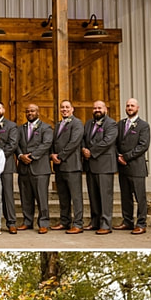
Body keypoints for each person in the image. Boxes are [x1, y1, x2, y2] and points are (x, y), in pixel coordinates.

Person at [82, 100, 119, 234]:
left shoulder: (111, 124)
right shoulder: (88, 123)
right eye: (95, 108)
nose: (97, 110)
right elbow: (83, 138)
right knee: (93, 196)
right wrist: (83, 149)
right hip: (90, 165)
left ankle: (105, 224)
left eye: (99, 108)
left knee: (105, 196)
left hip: (104, 165)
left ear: (105, 109)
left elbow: (108, 141)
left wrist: (92, 151)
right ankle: (95, 222)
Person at [16, 103, 54, 233]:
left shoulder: (46, 128)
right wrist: (21, 156)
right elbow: (16, 144)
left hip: (40, 168)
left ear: (38, 112)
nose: (29, 113)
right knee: (25, 197)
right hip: (23, 168)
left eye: (32, 111)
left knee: (41, 197)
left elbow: (46, 144)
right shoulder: (20, 128)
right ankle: (27, 221)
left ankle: (43, 223)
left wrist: (31, 156)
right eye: (27, 111)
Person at [115, 97, 150, 234]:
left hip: (136, 167)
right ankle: (127, 221)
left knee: (140, 197)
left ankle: (141, 224)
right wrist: (118, 155)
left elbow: (143, 145)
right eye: (128, 105)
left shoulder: (143, 125)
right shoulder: (120, 124)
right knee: (125, 196)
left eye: (132, 106)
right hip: (122, 167)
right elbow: (116, 143)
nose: (130, 108)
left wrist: (126, 157)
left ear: (137, 108)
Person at [50, 99, 85, 233]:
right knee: (63, 196)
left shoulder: (77, 123)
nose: (64, 109)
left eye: (67, 107)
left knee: (76, 197)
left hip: (72, 165)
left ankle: (78, 224)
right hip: (59, 166)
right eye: (62, 107)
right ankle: (64, 221)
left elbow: (74, 142)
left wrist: (60, 156)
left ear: (72, 109)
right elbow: (54, 142)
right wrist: (52, 155)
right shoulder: (59, 124)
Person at [0, 101, 19, 234]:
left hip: (6, 164)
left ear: (3, 110)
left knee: (7, 194)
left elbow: (12, 145)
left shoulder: (11, 126)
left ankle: (11, 222)